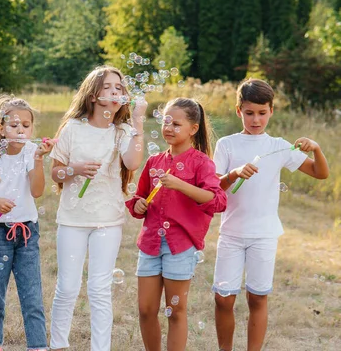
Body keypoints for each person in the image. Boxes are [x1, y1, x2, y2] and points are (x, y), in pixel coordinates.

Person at [212, 79, 329, 351]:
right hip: (230, 233)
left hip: (264, 235)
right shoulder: (227, 145)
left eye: (262, 113)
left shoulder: (279, 145)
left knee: (257, 298)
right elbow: (214, 185)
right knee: (223, 299)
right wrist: (234, 173)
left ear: (271, 111)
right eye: (250, 113)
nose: (256, 120)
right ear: (238, 110)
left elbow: (320, 173)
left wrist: (317, 149)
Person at [49, 66, 147, 351]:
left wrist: (138, 123)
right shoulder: (73, 128)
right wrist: (74, 169)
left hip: (108, 220)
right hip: (73, 218)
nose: (116, 91)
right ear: (93, 95)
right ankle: (58, 345)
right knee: (67, 287)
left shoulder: (124, 131)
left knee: (99, 289)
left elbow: (132, 163)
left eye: (120, 87)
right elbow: (56, 173)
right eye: (109, 87)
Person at [125, 97, 227, 351]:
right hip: (150, 244)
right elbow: (140, 196)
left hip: (180, 246)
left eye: (176, 124)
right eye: (166, 121)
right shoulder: (154, 162)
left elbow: (217, 201)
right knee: (146, 309)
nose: (169, 128)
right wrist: (138, 204)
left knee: (175, 309)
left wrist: (181, 185)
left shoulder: (202, 163)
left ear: (193, 129)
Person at [0, 95, 54, 351]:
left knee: (32, 296)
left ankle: (37, 346)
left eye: (26, 125)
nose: (21, 130)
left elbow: (37, 192)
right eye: (14, 125)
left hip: (27, 233)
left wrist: (38, 160)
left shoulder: (30, 153)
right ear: (1, 127)